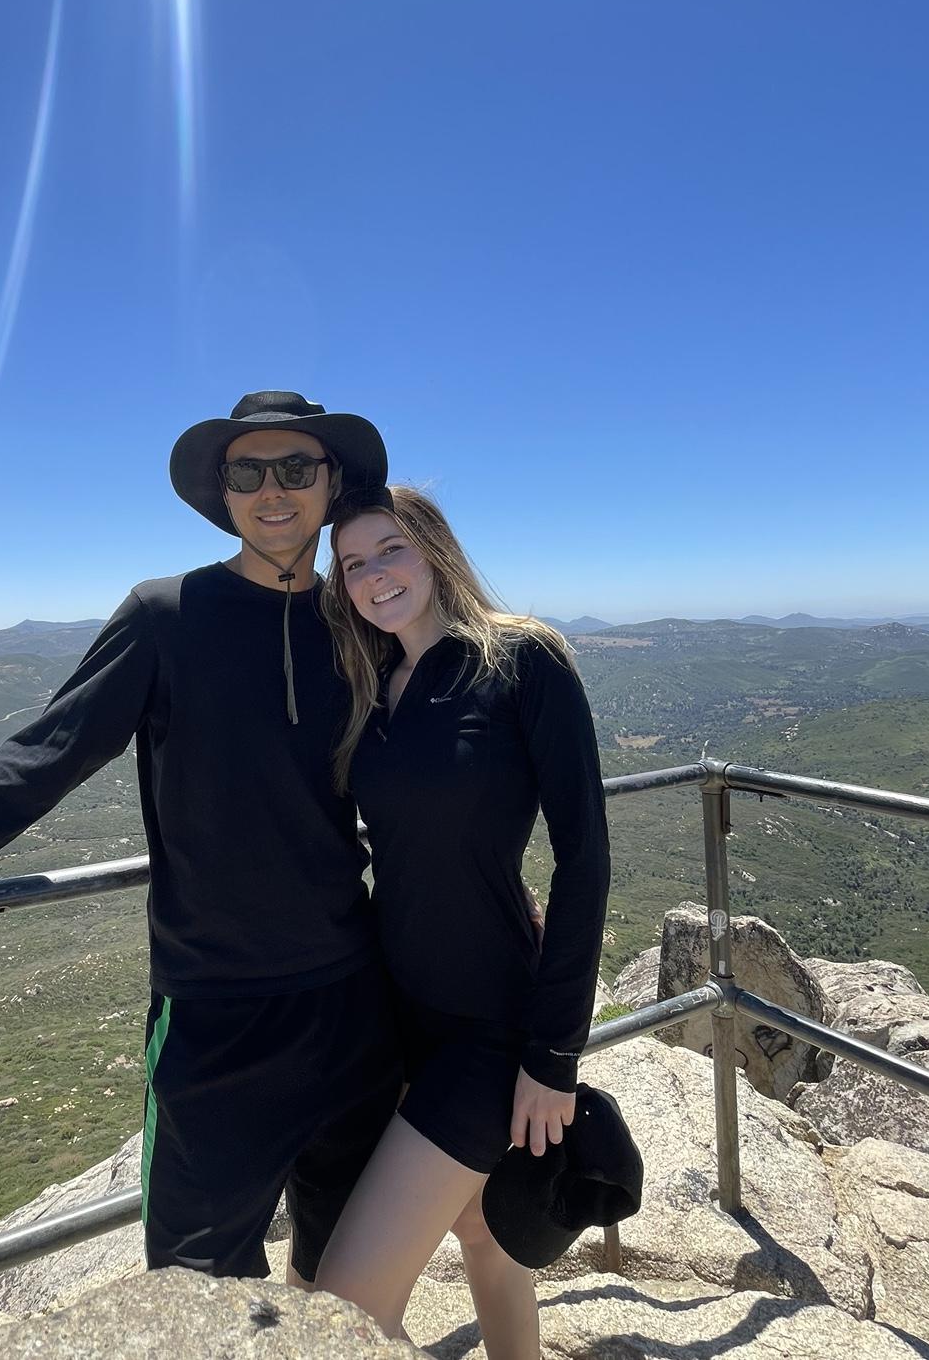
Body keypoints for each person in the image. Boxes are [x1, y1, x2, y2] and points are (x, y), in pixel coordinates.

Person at [0, 391, 403, 1286]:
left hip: (355, 995)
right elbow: (42, 759)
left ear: (331, 485)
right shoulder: (166, 616)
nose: (273, 489)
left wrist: (487, 883)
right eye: (248, 471)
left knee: (348, 1269)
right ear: (223, 493)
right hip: (216, 1008)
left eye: (296, 467)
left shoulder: (361, 620)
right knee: (194, 1285)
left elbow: (427, 783)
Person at [312, 484, 610, 1357]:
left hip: (489, 1028)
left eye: (390, 549)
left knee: (346, 1307)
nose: (374, 575)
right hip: (398, 1021)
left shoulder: (522, 660)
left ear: (434, 550)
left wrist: (554, 1055)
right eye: (353, 564)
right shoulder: (373, 687)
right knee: (485, 1234)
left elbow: (585, 859)